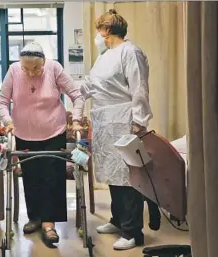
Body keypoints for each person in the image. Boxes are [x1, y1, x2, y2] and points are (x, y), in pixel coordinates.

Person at [0, 42, 84, 245]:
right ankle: (35, 217)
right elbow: (2, 101)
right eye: (26, 68)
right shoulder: (14, 70)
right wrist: (7, 121)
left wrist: (77, 119)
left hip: (54, 131)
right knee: (31, 176)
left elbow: (77, 96)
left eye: (36, 68)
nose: (31, 72)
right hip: (24, 133)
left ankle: (49, 223)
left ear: (44, 62)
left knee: (51, 177)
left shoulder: (54, 68)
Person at [80, 9, 154, 250]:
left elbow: (139, 88)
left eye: (99, 30)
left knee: (128, 176)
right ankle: (117, 219)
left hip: (124, 119)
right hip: (104, 120)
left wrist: (139, 122)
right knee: (112, 173)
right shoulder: (104, 56)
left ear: (107, 30)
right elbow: (90, 85)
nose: (97, 35)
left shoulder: (131, 52)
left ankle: (133, 232)